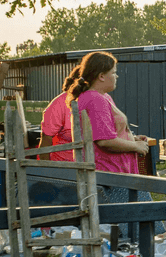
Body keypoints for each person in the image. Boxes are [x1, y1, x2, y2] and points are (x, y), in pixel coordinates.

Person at [66, 51, 157, 238]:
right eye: (114, 72)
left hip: (118, 173)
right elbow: (105, 141)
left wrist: (132, 138)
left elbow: (109, 131)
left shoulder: (102, 96)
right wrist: (136, 147)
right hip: (111, 177)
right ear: (101, 76)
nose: (116, 76)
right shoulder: (95, 99)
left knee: (140, 229)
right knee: (139, 231)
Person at [38, 67, 80, 161]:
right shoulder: (60, 103)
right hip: (64, 165)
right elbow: (46, 138)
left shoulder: (102, 99)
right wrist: (46, 168)